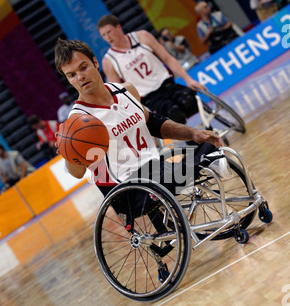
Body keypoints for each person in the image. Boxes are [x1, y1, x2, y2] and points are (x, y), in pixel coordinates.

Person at [54, 38, 232, 200]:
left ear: (95, 63)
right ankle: (209, 163)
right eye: (71, 75)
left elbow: (156, 124)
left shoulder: (126, 91)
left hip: (156, 170)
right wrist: (69, 151)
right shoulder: (78, 120)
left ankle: (207, 161)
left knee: (206, 146)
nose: (80, 77)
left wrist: (193, 133)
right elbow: (77, 173)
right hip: (127, 188)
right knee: (200, 161)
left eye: (83, 67)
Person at [96, 15, 205, 125]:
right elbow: (118, 93)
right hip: (151, 99)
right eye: (103, 35)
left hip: (168, 85)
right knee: (174, 114)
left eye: (109, 32)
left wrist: (188, 79)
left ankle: (211, 132)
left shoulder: (142, 36)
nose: (107, 37)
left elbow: (167, 58)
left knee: (189, 100)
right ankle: (196, 140)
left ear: (118, 27)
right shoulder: (109, 61)